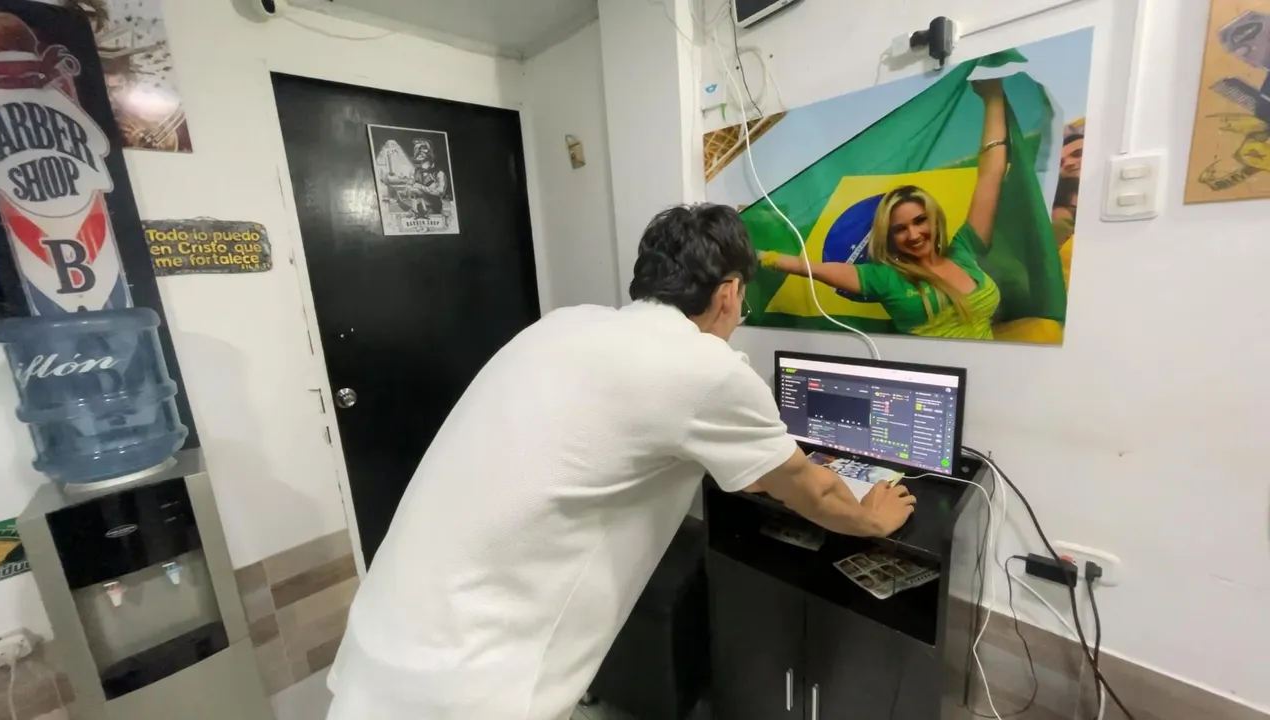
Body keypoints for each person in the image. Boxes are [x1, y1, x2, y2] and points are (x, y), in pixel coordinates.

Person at [325, 204, 916, 720]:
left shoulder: (564, 324)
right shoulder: (705, 369)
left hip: (382, 640)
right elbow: (812, 491)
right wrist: (872, 517)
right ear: (729, 293)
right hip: (473, 683)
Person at [758, 79, 1008, 340]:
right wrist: (757, 255)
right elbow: (808, 267)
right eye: (900, 229)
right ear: (889, 237)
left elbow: (991, 174)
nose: (913, 234)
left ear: (934, 219)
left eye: (920, 220)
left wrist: (993, 97)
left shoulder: (964, 250)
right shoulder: (886, 278)